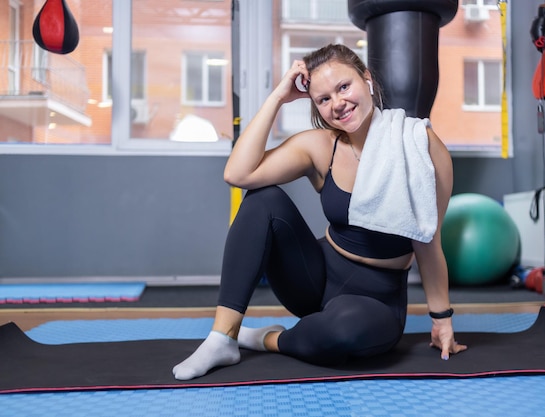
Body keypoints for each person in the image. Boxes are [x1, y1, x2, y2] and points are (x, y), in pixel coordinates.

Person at [172, 44, 467, 381]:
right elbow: (237, 174)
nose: (337, 104)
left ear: (367, 79)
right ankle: (222, 338)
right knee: (262, 199)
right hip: (315, 277)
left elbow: (428, 241)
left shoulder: (420, 146)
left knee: (343, 335)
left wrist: (441, 318)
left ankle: (266, 339)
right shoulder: (320, 146)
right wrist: (277, 98)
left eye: (344, 87)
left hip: (376, 299)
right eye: (323, 99)